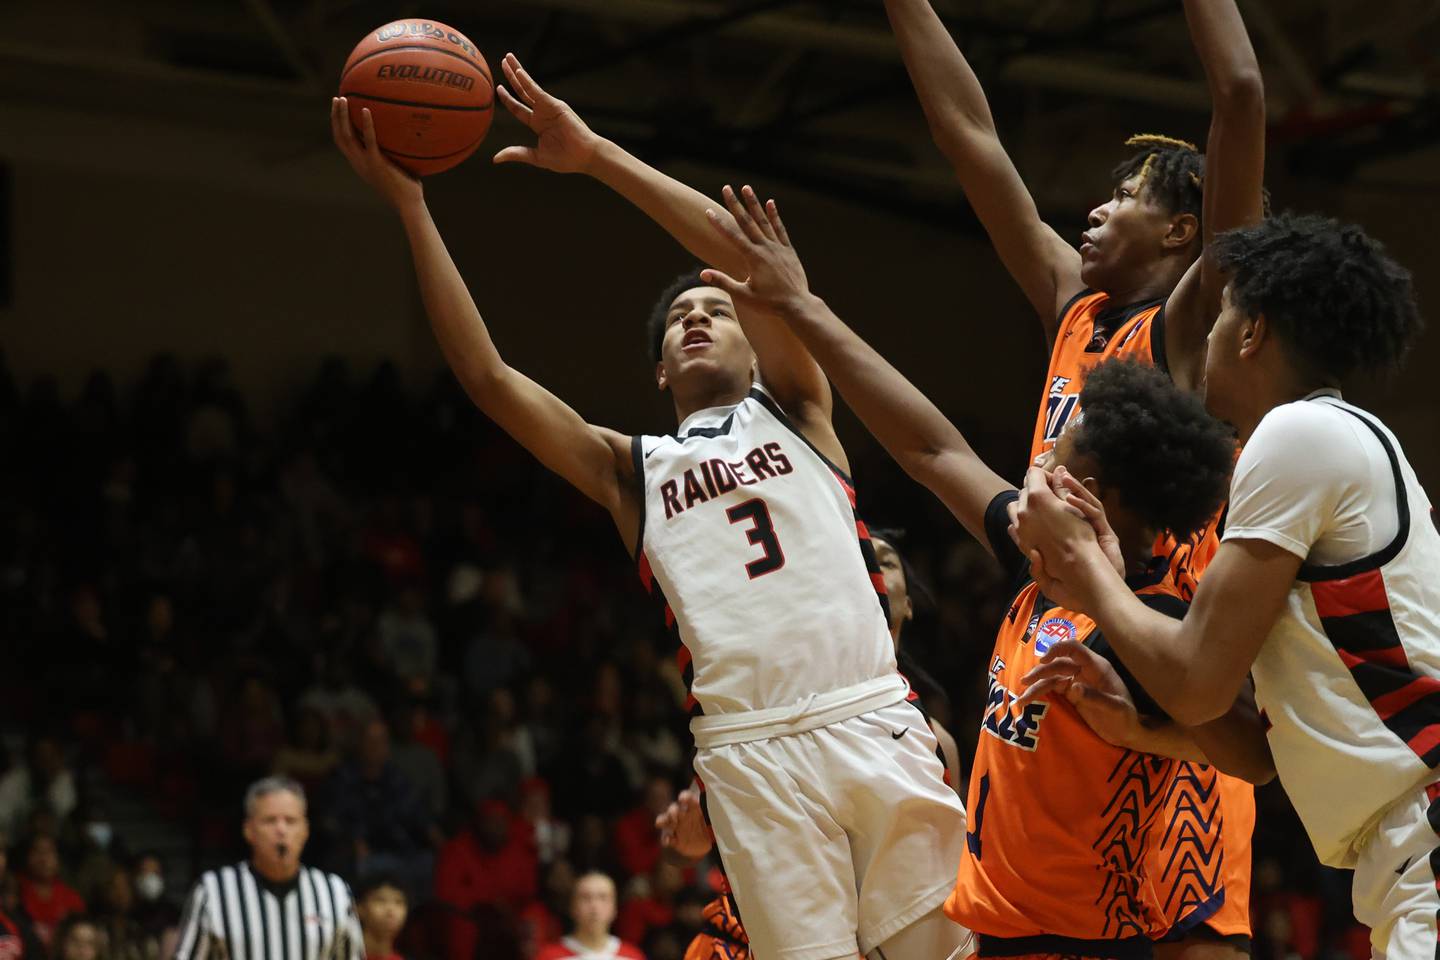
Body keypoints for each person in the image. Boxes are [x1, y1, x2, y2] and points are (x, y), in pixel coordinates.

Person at [331, 47, 968, 960]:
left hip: (867, 711)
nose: (699, 316)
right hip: (749, 753)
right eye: (678, 320)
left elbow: (739, 257)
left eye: (718, 310)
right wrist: (412, 206)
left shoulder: (800, 409)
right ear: (660, 369)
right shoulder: (630, 469)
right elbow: (486, 376)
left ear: (757, 348)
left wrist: (593, 155)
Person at [693, 187, 1275, 957]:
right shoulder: (1039, 569)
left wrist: (1145, 730)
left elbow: (1255, 756)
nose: (1029, 471)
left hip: (1084, 942)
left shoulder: (1150, 614)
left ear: (1083, 494)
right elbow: (932, 450)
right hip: (994, 930)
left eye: (1048, 464)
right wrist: (804, 309)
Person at [885, 3, 1268, 952]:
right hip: (1063, 635)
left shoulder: (1186, 332)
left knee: (1184, 933)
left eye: (1127, 195)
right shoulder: (1073, 305)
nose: (1094, 209)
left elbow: (1243, 101)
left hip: (1162, 658)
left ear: (1184, 230)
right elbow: (971, 140)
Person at [1013, 213, 1435, 960]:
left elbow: (1197, 683)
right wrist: (1116, 603)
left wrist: (1089, 578)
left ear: (1252, 331)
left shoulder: (1298, 436)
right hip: (1403, 847)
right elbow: (1252, 751)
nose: (1205, 336)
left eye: (1221, 314)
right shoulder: (1329, 441)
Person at [173, 776, 362, 960]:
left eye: (290, 821)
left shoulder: (334, 891)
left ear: (305, 830)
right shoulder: (212, 890)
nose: (281, 830)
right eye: (270, 821)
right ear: (248, 830)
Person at [535, 872, 644, 960]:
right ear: (572, 907)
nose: (594, 906)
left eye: (603, 898)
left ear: (614, 908)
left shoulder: (632, 957)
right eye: (586, 898)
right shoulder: (548, 956)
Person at [18, 833, 85, 947]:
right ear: (27, 856)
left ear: (58, 859)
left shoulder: (72, 899)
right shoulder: (14, 891)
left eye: (50, 852)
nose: (44, 859)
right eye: (37, 852)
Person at [354, 874, 408, 960]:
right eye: (380, 900)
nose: (391, 910)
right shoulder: (342, 955)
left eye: (398, 902)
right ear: (358, 908)